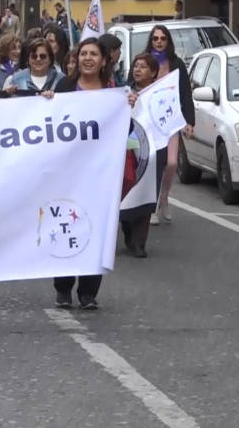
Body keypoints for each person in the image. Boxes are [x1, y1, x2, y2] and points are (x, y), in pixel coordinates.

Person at [50, 37, 137, 309]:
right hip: (68, 173)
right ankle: (63, 289)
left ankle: (88, 292)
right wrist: (45, 101)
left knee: (97, 229)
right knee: (66, 228)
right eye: (83, 53)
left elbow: (126, 129)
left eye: (93, 54)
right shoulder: (64, 86)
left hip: (101, 176)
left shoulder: (115, 91)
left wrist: (129, 105)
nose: (88, 58)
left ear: (103, 61)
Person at [142, 24, 194, 225]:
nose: (159, 42)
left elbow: (185, 93)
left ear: (168, 41)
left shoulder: (177, 64)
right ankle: (152, 205)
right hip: (148, 123)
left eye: (163, 38)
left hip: (171, 121)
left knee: (172, 163)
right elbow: (133, 86)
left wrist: (189, 121)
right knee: (154, 164)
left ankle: (164, 197)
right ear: (151, 40)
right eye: (155, 38)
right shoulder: (142, 61)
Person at [121, 53, 162, 258]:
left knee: (146, 192)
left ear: (153, 72)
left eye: (143, 66)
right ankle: (127, 229)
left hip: (152, 151)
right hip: (127, 150)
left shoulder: (159, 94)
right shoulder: (123, 92)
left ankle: (140, 242)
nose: (137, 69)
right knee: (127, 188)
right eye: (136, 66)